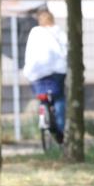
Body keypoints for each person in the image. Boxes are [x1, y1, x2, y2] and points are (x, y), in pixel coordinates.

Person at [22, 9, 68, 141]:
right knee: (59, 98)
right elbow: (65, 50)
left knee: (42, 96)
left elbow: (29, 53)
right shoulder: (58, 32)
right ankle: (60, 128)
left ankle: (44, 112)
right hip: (57, 71)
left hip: (37, 73)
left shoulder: (35, 33)